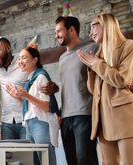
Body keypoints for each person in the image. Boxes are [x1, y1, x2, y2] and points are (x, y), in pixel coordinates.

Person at [77, 13, 133, 164]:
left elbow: (121, 80)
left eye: (93, 26)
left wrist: (96, 64)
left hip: (124, 118)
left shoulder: (129, 46)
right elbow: (92, 90)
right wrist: (91, 66)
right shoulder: (98, 53)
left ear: (107, 24)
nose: (90, 33)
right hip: (102, 119)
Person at [47, 16, 99, 165]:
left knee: (85, 159)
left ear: (71, 29)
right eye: (55, 32)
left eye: (59, 31)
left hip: (84, 114)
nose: (56, 35)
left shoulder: (92, 48)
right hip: (65, 117)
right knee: (71, 160)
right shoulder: (62, 58)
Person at [9, 37, 59, 165]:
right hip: (30, 124)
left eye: (24, 57)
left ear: (35, 60)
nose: (20, 61)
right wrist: (17, 95)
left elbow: (47, 106)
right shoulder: (29, 79)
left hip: (40, 123)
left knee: (45, 160)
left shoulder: (41, 76)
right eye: (19, 58)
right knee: (34, 162)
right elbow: (31, 105)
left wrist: (26, 96)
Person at [0, 26, 29, 140]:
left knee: (28, 156)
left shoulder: (22, 63)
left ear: (8, 48)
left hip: (25, 119)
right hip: (6, 122)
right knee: (8, 156)